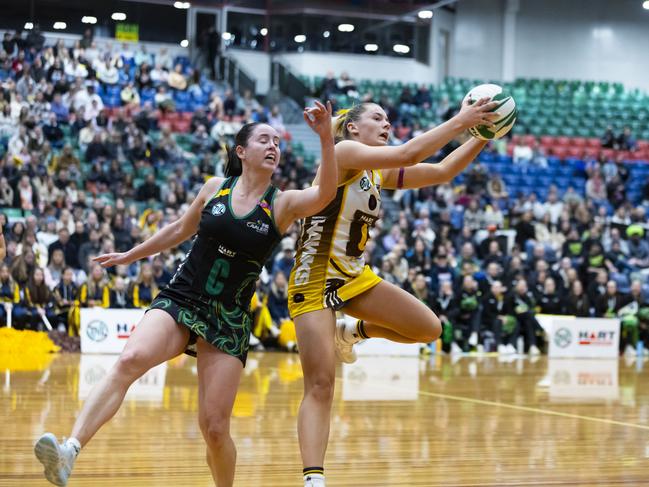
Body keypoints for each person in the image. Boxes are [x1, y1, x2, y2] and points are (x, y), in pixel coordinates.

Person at [34, 101, 338, 487]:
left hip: (228, 316)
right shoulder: (215, 188)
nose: (273, 146)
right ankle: (69, 451)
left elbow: (325, 194)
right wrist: (132, 254)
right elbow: (179, 229)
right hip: (182, 297)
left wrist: (326, 139)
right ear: (241, 151)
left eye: (277, 141)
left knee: (214, 428)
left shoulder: (282, 203)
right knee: (131, 359)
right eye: (264, 139)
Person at [287, 98, 498, 486]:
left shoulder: (375, 173)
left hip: (353, 276)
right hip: (314, 278)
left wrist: (485, 133)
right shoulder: (344, 152)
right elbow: (410, 151)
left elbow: (441, 171)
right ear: (353, 127)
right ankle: (313, 479)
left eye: (388, 118)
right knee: (320, 385)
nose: (387, 124)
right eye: (378, 118)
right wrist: (462, 120)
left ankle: (352, 332)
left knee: (429, 329)